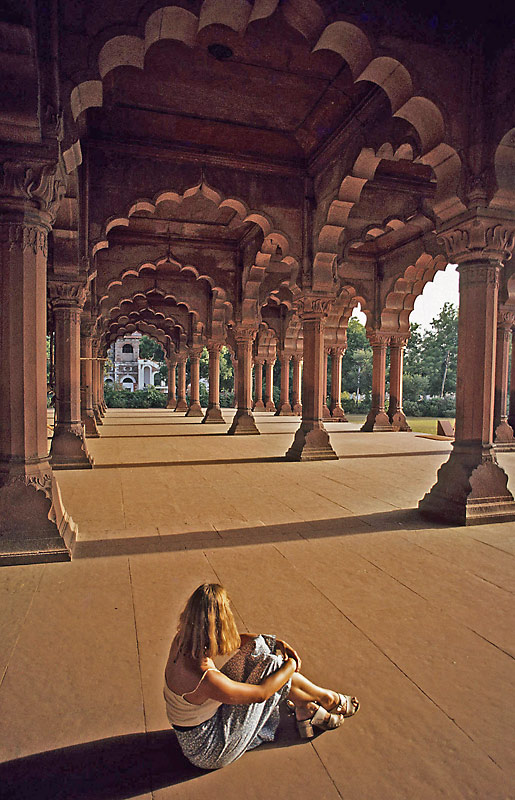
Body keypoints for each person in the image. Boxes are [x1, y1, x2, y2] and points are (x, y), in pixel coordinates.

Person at [164, 583, 360, 770]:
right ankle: (325, 700)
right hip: (208, 750)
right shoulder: (205, 677)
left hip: (197, 731)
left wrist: (274, 642)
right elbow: (261, 694)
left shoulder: (182, 639)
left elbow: (232, 642)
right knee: (274, 667)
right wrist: (291, 665)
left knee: (260, 647)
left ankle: (308, 707)